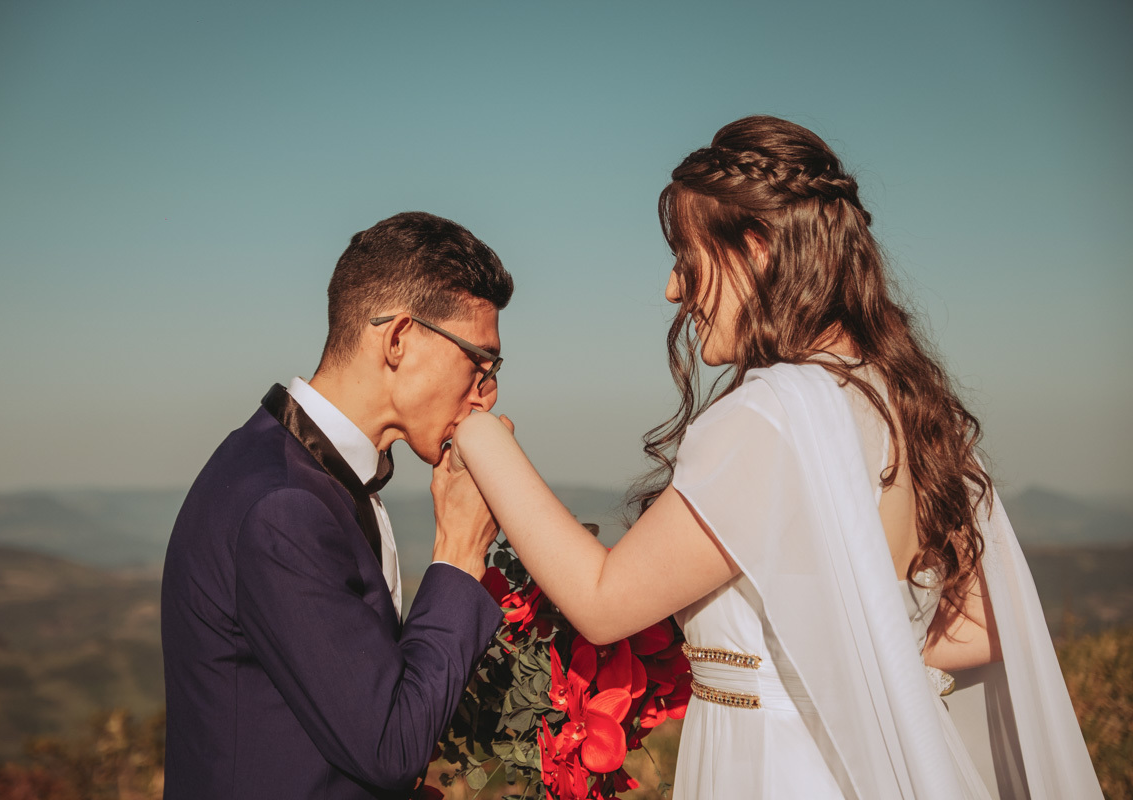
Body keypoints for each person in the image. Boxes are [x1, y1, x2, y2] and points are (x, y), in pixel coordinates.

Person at [447, 117, 1101, 798]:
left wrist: (481, 434)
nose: (675, 290)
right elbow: (979, 627)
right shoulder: (899, 397)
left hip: (777, 771)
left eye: (685, 258)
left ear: (756, 249)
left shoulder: (774, 414)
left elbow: (605, 602)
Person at [160, 211, 512, 799]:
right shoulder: (283, 506)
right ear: (398, 339)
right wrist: (458, 554)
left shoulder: (289, 467)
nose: (488, 391)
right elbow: (389, 747)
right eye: (479, 361)